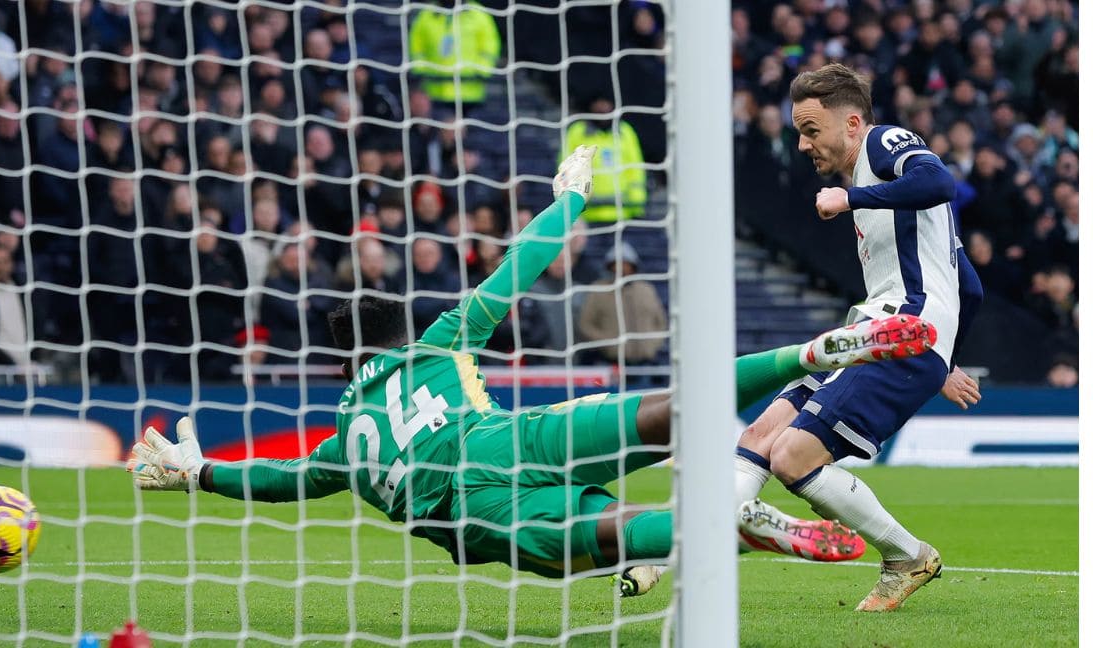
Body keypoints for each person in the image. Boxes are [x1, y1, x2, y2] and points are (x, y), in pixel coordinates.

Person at [129, 146, 938, 598]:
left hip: (474, 513)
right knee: (671, 410)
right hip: (518, 437)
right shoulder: (438, 343)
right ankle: (807, 352)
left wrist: (202, 473)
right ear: (398, 331)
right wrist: (568, 199)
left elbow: (284, 482)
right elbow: (516, 271)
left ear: (345, 358)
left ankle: (737, 533)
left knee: (614, 534)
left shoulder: (343, 439)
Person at [734, 64, 984, 613]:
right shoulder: (875, 190)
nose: (802, 143)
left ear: (851, 123)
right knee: (761, 433)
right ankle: (693, 547)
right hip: (873, 329)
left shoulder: (883, 143)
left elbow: (940, 180)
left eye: (810, 129)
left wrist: (851, 201)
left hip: (902, 332)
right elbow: (971, 287)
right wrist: (947, 360)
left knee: (792, 457)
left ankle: (907, 556)